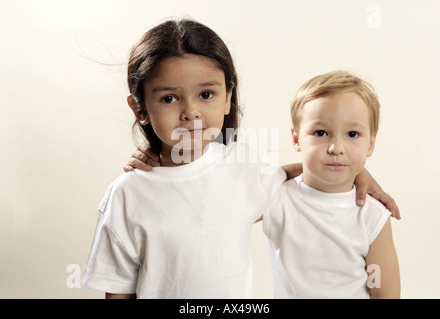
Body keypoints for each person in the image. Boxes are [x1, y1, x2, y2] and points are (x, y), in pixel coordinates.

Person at [84, 18, 399, 299]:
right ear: (139, 108)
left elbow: (307, 177)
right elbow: (119, 289)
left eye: (206, 94)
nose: (191, 111)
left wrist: (359, 174)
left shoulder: (242, 166)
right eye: (169, 98)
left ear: (227, 98)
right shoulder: (126, 195)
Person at [263, 70, 400, 298]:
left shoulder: (371, 216)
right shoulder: (277, 198)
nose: (336, 147)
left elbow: (385, 293)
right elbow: (229, 202)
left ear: (370, 143)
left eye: (352, 134)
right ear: (297, 139)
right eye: (321, 132)